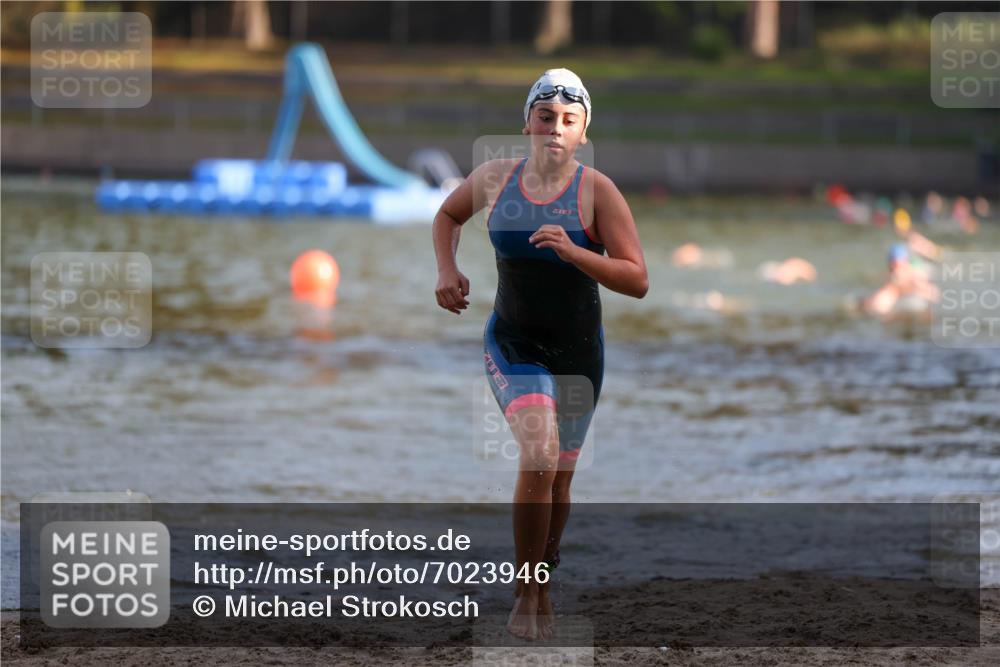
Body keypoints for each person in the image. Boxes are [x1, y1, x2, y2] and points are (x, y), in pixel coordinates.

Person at [431, 68, 648, 640]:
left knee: (559, 483)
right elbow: (447, 216)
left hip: (579, 354)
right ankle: (525, 593)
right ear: (526, 123)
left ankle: (543, 585)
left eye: (569, 120)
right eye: (545, 117)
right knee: (539, 452)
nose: (555, 128)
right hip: (515, 342)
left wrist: (577, 253)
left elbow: (637, 279)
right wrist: (447, 269)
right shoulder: (495, 178)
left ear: (583, 133)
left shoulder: (598, 192)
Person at [862, 243, 939, 317]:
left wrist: (908, 289)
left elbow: (933, 294)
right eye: (893, 265)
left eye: (897, 265)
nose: (895, 269)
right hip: (894, 306)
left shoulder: (914, 275)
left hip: (911, 303)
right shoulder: (889, 280)